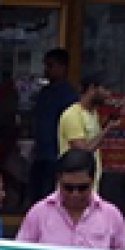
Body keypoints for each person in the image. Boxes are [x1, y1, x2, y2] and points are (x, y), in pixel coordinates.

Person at [17, 148, 125, 250]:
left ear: (93, 181)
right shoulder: (38, 213)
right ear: (58, 180)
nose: (75, 194)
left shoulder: (111, 215)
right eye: (68, 187)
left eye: (82, 188)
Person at [29, 48, 77, 204]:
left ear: (62, 67)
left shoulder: (68, 95)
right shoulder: (45, 93)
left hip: (55, 156)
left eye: (50, 66)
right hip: (40, 154)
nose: (46, 71)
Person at [57, 74, 118, 192]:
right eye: (105, 88)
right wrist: (107, 130)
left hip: (89, 186)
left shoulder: (93, 114)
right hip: (74, 188)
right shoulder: (73, 115)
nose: (109, 94)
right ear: (92, 88)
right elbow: (83, 152)